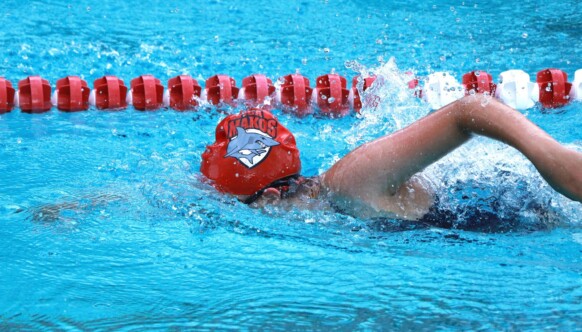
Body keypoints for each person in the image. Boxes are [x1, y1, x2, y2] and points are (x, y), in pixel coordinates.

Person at [200, 94, 582, 222]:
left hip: (536, 199)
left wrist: (556, 161)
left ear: (268, 198)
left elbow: (471, 110)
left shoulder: (349, 181)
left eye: (238, 206)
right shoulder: (332, 203)